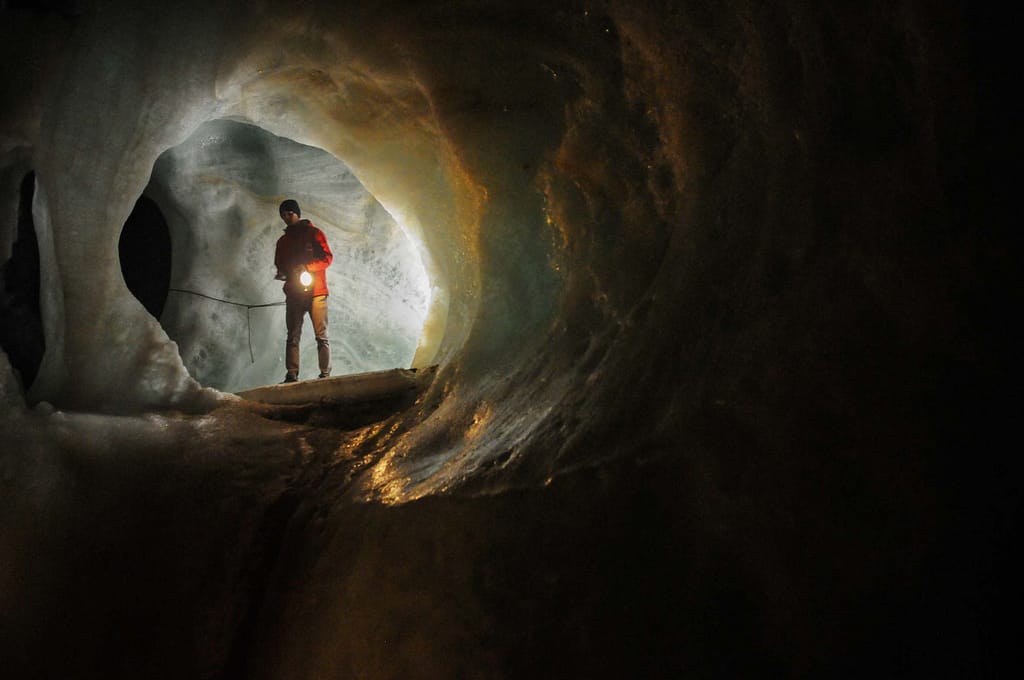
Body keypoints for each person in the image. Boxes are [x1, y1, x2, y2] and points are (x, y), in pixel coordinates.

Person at [273, 199, 333, 382]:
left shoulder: (315, 234)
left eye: (289, 213)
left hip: (317, 293)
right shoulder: (282, 241)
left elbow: (327, 258)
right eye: (283, 215)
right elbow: (279, 264)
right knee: (292, 336)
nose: (286, 217)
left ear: (297, 213)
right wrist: (284, 273)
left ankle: (325, 374)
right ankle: (292, 374)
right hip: (294, 295)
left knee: (321, 336)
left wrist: (307, 267)